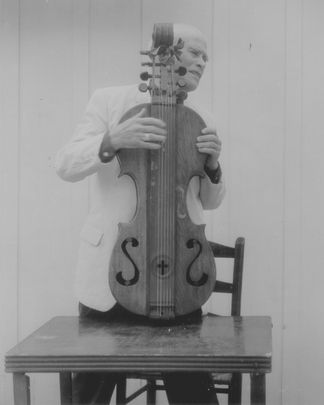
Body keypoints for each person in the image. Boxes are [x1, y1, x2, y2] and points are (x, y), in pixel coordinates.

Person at [55, 24, 225, 405]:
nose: (203, 62)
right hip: (112, 273)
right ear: (162, 53)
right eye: (196, 53)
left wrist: (213, 166)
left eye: (207, 57)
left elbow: (210, 201)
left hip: (180, 275)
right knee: (90, 397)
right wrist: (112, 140)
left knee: (195, 397)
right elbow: (64, 165)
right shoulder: (109, 101)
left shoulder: (203, 116)